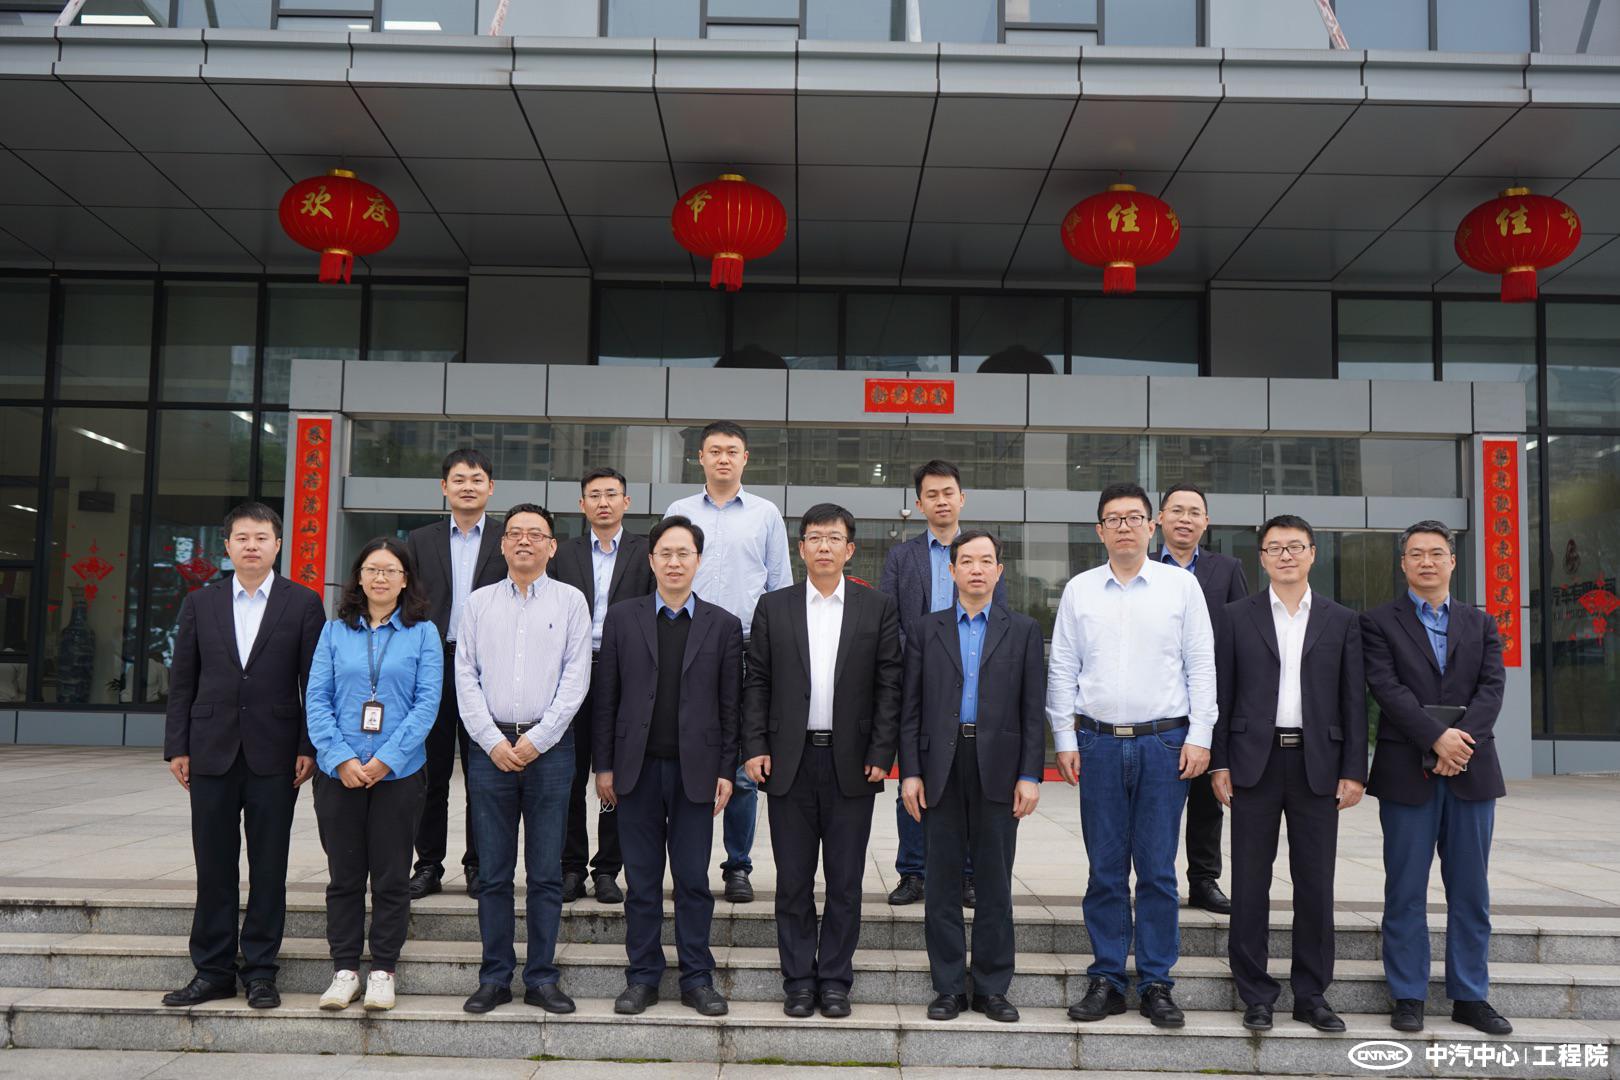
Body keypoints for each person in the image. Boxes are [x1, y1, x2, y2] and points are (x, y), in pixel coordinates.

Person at [1048, 482, 1216, 1029]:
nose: (1124, 526)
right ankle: (1107, 978)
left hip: (1164, 743)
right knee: (1105, 869)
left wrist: (1201, 735)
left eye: (1134, 517)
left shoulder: (1181, 587)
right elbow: (1063, 668)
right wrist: (1065, 739)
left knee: (1158, 870)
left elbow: (1201, 664)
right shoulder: (1080, 590)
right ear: (1100, 531)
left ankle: (1157, 982)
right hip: (1097, 743)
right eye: (1113, 519)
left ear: (1152, 526)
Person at [161, 502, 325, 1010]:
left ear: (278, 544)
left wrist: (308, 745)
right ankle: (212, 971)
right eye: (242, 538)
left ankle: (260, 972)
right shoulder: (200, 602)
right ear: (227, 546)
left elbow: (315, 683)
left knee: (269, 866)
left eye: (261, 537)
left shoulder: (303, 603)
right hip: (210, 750)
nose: (252, 546)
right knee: (213, 864)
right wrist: (177, 746)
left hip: (276, 753)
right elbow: (182, 679)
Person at [742, 504, 902, 1019]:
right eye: (815, 537)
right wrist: (755, 745)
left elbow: (890, 683)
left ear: (849, 549)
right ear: (801, 548)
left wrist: (882, 752)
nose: (824, 546)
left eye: (834, 538)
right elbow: (757, 681)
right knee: (792, 881)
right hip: (788, 762)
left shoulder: (876, 607)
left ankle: (834, 980)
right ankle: (797, 981)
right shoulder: (775, 607)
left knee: (845, 881)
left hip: (852, 763)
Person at [1209, 515, 1366, 1034]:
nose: (1286, 556)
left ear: (1313, 553)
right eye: (1275, 548)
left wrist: (1354, 770)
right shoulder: (1236, 616)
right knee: (1250, 882)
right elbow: (1221, 693)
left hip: (1317, 764)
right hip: (1253, 762)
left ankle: (1311, 994)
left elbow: (1353, 699)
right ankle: (1255, 994)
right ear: (1262, 558)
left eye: (1295, 546)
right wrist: (1220, 761)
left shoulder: (1342, 620)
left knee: (1315, 883)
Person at [1363, 520, 1511, 1037]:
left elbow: (1492, 688)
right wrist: (1435, 739)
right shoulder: (1377, 623)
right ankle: (1408, 994)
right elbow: (1387, 688)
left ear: (1452, 560)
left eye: (1436, 553)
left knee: (1470, 890)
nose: (1426, 562)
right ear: (1403, 563)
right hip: (1407, 773)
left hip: (1472, 770)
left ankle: (1470, 995)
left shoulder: (1481, 623)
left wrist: (1458, 744)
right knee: (1405, 888)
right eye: (1416, 554)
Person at [594, 515, 739, 1018]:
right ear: (651, 560)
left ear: (698, 561)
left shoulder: (723, 624)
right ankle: (643, 977)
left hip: (697, 772)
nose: (675, 562)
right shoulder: (622, 618)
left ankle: (698, 978)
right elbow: (606, 698)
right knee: (642, 880)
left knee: (693, 879)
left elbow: (731, 705)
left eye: (684, 554)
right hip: (635, 770)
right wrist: (604, 766)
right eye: (666, 554)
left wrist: (727, 769)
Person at [899, 531, 1045, 1024]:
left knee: (994, 882)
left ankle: (991, 987)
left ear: (999, 571)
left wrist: (1030, 773)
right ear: (952, 571)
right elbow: (910, 707)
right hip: (940, 764)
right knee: (940, 882)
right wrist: (910, 772)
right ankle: (947, 987)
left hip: (999, 767)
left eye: (986, 561)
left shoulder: (1022, 630)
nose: (976, 569)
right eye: (967, 561)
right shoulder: (926, 629)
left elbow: (1032, 709)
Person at [455, 503, 592, 1015]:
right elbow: (465, 676)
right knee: (493, 873)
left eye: (536, 534)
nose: (524, 541)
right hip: (489, 749)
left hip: (550, 751)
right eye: (515, 533)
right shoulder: (478, 603)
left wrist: (540, 738)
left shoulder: (571, 602)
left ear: (552, 546)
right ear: (502, 544)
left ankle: (541, 978)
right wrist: (491, 740)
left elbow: (576, 678)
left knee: (546, 872)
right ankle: (494, 977)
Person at [305, 537, 443, 1013]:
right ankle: (344, 970)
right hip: (339, 773)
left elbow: (427, 703)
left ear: (405, 580)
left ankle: (383, 970)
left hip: (399, 774)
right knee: (344, 876)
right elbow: (316, 698)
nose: (380, 577)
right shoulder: (333, 632)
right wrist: (340, 757)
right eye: (372, 569)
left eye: (390, 570)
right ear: (359, 578)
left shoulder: (423, 633)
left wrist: (387, 758)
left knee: (390, 877)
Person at [666, 420, 791, 903]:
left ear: (745, 458)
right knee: (684, 755)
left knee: (742, 764)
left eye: (731, 451)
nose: (723, 458)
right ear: (700, 457)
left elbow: (779, 586)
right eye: (714, 450)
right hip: (686, 645)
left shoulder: (765, 514)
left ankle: (738, 865)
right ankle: (686, 864)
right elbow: (666, 573)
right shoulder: (680, 511)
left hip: (745, 647)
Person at [879, 460, 1006, 909]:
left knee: (969, 779)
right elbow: (888, 618)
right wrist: (919, 657)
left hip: (972, 680)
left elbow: (999, 620)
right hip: (916, 679)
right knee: (912, 778)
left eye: (948, 492)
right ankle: (913, 872)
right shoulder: (902, 557)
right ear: (919, 504)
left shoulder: (981, 552)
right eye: (931, 495)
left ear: (962, 498)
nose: (941, 501)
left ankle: (967, 875)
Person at [549, 466, 654, 906]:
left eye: (612, 494)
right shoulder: (562, 554)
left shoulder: (647, 551)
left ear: (627, 502)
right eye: (594, 495)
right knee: (569, 774)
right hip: (572, 670)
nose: (603, 502)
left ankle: (608, 868)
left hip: (627, 672)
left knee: (618, 773)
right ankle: (571, 867)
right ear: (582, 504)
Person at [406, 448, 506, 900]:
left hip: (490, 668)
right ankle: (428, 864)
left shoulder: (507, 536)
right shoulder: (419, 541)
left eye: (477, 479)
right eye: (459, 479)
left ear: (491, 487)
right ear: (444, 487)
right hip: (434, 664)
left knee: (483, 773)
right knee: (431, 771)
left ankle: (479, 865)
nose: (468, 486)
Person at [1155, 482, 1249, 915]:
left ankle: (1204, 880)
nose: (1185, 519)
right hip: (1157, 703)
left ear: (1206, 522)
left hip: (1211, 699)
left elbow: (1243, 632)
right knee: (1156, 802)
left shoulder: (1227, 569)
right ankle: (1156, 879)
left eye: (1194, 512)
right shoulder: (1142, 566)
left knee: (1207, 798)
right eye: (1177, 510)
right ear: (1160, 519)